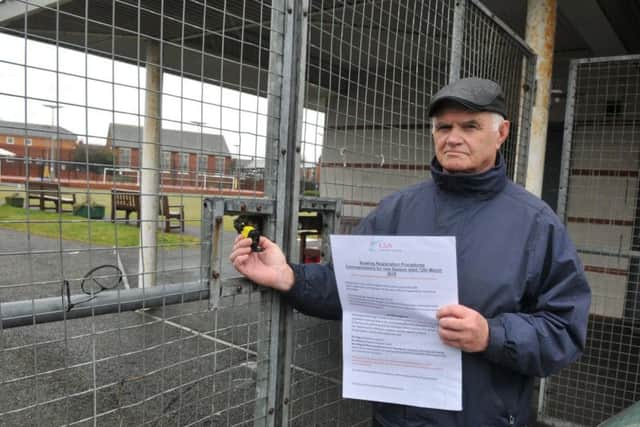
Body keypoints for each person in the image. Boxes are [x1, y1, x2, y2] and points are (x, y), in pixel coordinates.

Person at [230, 77, 591, 426]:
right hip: (398, 416)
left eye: (469, 126)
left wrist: (490, 335)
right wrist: (289, 276)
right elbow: (352, 289)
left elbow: (564, 328)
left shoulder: (535, 224)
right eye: (443, 127)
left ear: (502, 133)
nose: (453, 138)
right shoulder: (396, 210)